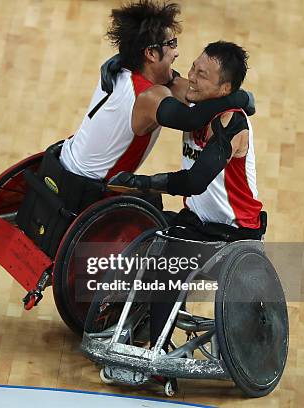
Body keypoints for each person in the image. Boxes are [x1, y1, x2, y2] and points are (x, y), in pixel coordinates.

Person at [108, 41, 264, 352]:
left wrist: (143, 181)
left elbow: (195, 181)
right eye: (193, 67)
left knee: (167, 264)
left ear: (224, 88)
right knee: (138, 222)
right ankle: (134, 320)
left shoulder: (232, 123)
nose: (192, 76)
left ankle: (157, 352)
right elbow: (166, 77)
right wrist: (121, 61)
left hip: (234, 234)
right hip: (196, 223)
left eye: (202, 74)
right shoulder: (194, 100)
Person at [59, 0, 254, 186]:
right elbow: (189, 119)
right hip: (83, 189)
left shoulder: (124, 68)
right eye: (171, 44)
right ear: (151, 54)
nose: (176, 52)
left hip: (62, 164)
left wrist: (229, 91)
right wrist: (239, 97)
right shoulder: (148, 96)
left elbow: (196, 93)